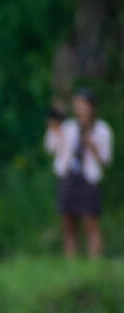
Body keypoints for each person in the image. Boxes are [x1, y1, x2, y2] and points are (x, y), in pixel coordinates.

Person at [44, 87, 111, 259]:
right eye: (77, 105)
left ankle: (94, 261)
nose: (79, 108)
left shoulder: (102, 130)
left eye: (83, 104)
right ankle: (71, 261)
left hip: (88, 177)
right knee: (68, 221)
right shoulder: (68, 127)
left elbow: (105, 160)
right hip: (69, 175)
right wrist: (54, 126)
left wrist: (92, 145)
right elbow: (51, 147)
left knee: (90, 221)